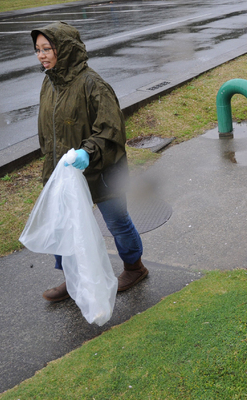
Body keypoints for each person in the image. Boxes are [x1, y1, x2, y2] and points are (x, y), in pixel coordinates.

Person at [32, 22, 148, 301]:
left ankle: (135, 267)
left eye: (47, 49)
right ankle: (73, 278)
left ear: (65, 49)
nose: (41, 55)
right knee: (64, 225)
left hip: (102, 168)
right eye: (37, 50)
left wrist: (87, 151)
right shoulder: (49, 83)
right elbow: (49, 129)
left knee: (117, 222)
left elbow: (111, 130)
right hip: (66, 172)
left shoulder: (93, 84)